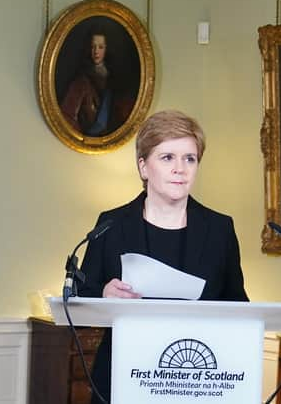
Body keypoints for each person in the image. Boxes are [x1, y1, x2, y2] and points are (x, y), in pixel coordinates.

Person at [77, 110, 249, 403]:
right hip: (123, 378)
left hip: (197, 379)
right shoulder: (111, 225)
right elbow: (81, 300)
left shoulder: (220, 229)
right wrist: (104, 295)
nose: (180, 168)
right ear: (143, 167)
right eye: (167, 157)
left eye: (189, 158)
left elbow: (238, 306)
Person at [61, 31, 131, 137]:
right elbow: (67, 116)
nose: (96, 51)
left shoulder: (115, 77)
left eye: (100, 47)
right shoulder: (81, 81)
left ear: (107, 49)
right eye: (93, 47)